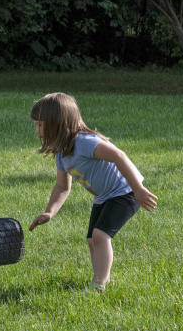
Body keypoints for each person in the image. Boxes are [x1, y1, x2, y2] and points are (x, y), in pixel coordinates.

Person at [28, 92, 157, 292]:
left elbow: (119, 156)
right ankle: (100, 279)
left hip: (125, 191)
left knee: (100, 236)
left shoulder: (84, 143)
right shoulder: (62, 155)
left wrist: (138, 189)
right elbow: (62, 187)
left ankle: (98, 286)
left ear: (57, 124)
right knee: (92, 240)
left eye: (40, 125)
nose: (37, 131)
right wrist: (49, 211)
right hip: (104, 196)